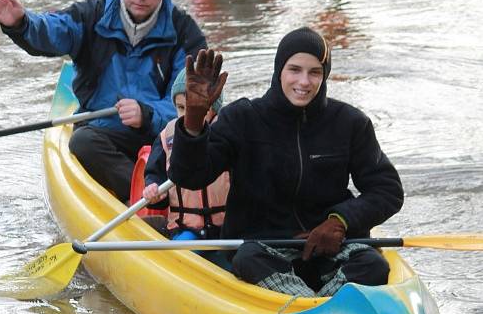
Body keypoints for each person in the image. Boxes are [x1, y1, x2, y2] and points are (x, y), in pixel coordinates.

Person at [167, 30, 405, 298]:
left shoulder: (350, 122)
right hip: (264, 250)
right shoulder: (241, 118)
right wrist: (194, 120)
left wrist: (339, 221)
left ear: (324, 75)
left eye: (314, 72)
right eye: (295, 70)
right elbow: (189, 176)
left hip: (329, 248)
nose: (304, 81)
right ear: (279, 69)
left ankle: (315, 308)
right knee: (248, 259)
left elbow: (388, 191)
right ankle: (320, 307)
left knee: (373, 265)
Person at [0, 0, 207, 202]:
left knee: (201, 141)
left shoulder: (186, 33)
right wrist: (22, 23)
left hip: (160, 135)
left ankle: (167, 194)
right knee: (82, 142)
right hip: (102, 134)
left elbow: (191, 105)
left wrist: (147, 113)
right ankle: (150, 197)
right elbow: (53, 30)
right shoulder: (90, 16)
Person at [142, 67, 229, 240]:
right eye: (181, 107)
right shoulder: (167, 136)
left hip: (228, 228)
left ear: (213, 107)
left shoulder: (229, 134)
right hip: (186, 229)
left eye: (195, 108)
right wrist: (154, 191)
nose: (186, 116)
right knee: (185, 243)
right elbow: (155, 175)